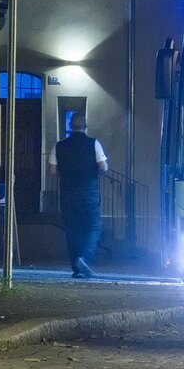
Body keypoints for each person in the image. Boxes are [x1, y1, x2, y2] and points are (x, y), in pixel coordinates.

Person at [47, 113, 108, 278]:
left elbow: (52, 171)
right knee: (94, 226)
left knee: (72, 230)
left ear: (70, 126)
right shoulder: (93, 144)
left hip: (67, 194)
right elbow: (103, 168)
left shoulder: (58, 146)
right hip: (88, 192)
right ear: (85, 126)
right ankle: (85, 258)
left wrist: (67, 174)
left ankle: (76, 268)